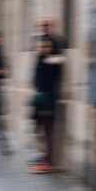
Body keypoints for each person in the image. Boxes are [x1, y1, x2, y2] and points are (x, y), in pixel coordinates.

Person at [30, 36, 64, 173]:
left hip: (49, 99)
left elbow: (52, 78)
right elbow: (35, 80)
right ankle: (44, 157)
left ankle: (48, 162)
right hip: (40, 99)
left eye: (47, 46)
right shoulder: (39, 60)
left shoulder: (53, 61)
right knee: (39, 131)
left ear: (52, 48)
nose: (44, 49)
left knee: (48, 132)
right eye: (42, 46)